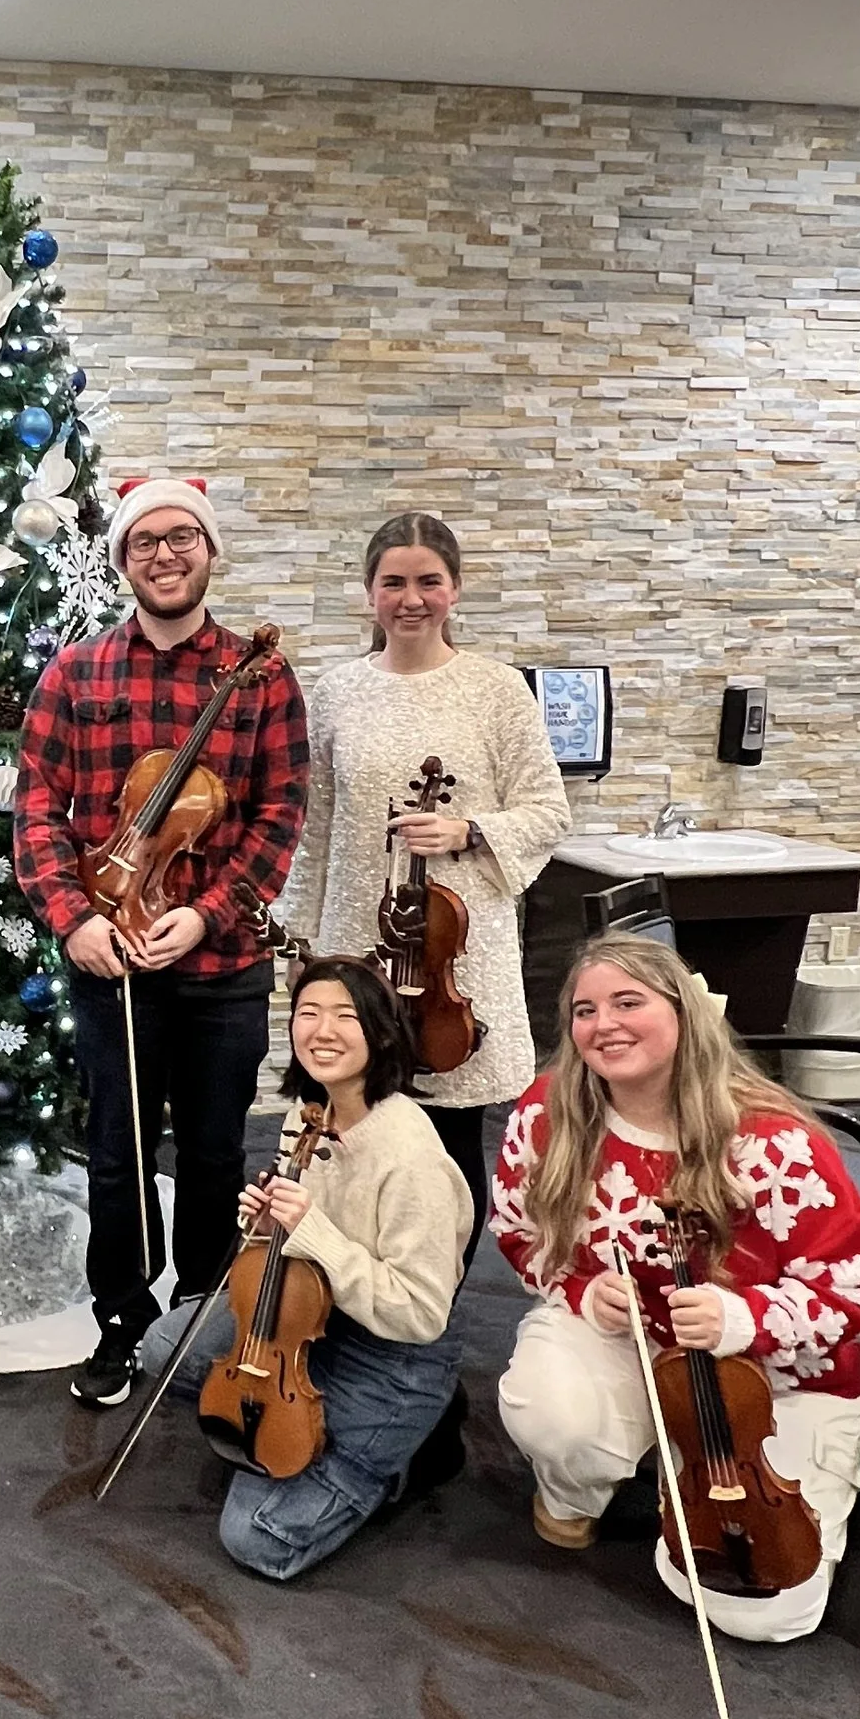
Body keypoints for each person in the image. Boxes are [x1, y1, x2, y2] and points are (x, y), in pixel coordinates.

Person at [491, 938, 860, 1644]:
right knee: (551, 1414)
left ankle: (688, 1464)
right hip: (633, 1341)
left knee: (766, 1610)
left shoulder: (777, 1142)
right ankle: (586, 1477)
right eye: (585, 1010)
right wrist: (581, 1289)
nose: (604, 1024)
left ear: (683, 1012)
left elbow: (858, 1297)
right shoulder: (547, 1112)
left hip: (772, 1380)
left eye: (628, 1002)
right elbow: (518, 1229)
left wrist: (742, 1318)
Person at [13, 475, 310, 1409]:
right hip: (112, 958)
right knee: (116, 1148)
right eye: (146, 542)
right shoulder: (78, 672)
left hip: (220, 961)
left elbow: (277, 816)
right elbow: (35, 810)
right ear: (124, 561)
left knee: (219, 1149)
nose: (167, 555)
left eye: (184, 537)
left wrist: (208, 912)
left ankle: (204, 1312)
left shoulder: (261, 678)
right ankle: (120, 1317)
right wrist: (77, 919)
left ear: (209, 551)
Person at [284, 508, 571, 1231]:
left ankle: (434, 1308)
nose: (411, 598)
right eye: (393, 582)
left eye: (428, 581)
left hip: (455, 953)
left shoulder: (497, 689)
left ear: (455, 588)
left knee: (446, 1145)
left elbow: (548, 810)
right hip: (360, 936)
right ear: (369, 592)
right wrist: (301, 939)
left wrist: (468, 828)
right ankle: (352, 1298)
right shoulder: (338, 692)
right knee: (351, 1127)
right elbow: (312, 828)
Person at [138, 959, 468, 1580]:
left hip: (393, 1350)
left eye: (347, 1016)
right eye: (308, 1014)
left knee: (257, 1538)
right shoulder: (310, 1116)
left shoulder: (409, 1157)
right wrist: (266, 1229)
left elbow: (420, 1314)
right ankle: (315, 1431)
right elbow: (296, 1259)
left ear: (383, 1034)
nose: (323, 1030)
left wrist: (312, 1230)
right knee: (164, 1348)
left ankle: (412, 1447)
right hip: (311, 1322)